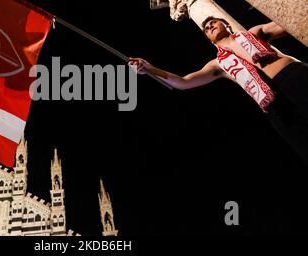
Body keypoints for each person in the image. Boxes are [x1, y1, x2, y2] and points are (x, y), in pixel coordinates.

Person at [129, 17, 308, 164]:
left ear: (226, 25)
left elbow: (288, 23)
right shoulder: (218, 64)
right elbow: (183, 82)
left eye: (213, 22)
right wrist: (149, 68)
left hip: (293, 76)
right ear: (209, 39)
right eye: (206, 28)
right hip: (275, 106)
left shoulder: (253, 33)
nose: (210, 26)